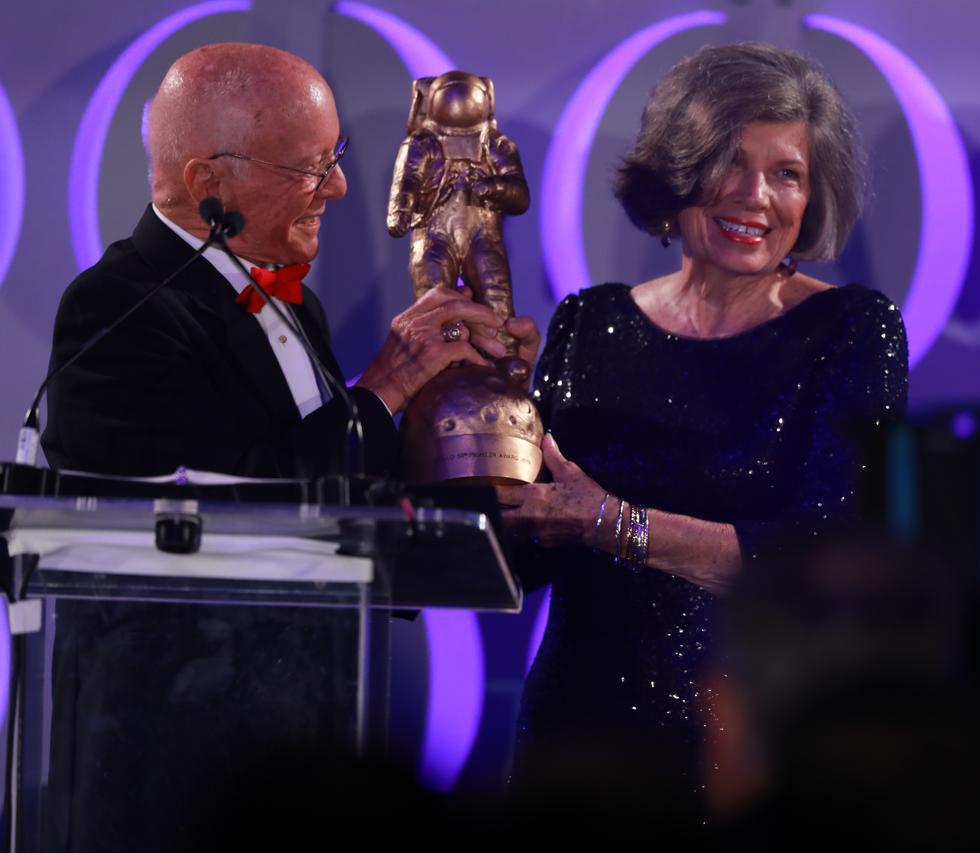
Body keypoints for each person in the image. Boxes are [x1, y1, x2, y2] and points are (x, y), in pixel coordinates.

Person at [35, 43, 539, 852]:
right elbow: (212, 520)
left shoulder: (292, 305)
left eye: (335, 157)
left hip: (309, 737)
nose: (339, 186)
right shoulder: (116, 310)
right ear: (209, 185)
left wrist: (466, 420)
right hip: (173, 769)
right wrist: (386, 383)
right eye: (314, 166)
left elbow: (340, 490)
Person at [499, 42, 908, 811]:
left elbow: (821, 557)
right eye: (729, 162)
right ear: (676, 171)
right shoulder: (589, 323)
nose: (755, 196)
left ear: (813, 196)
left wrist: (614, 523)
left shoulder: (851, 331)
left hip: (755, 745)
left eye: (786, 172)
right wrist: (478, 401)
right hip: (580, 741)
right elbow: (522, 548)